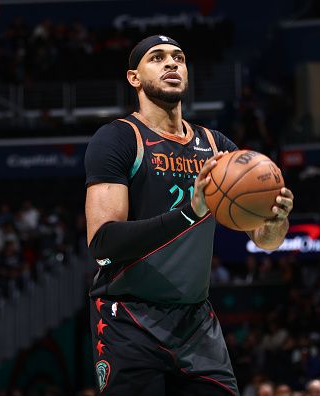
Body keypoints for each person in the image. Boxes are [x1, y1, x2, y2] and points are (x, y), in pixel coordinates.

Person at [84, 35, 294, 395]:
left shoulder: (216, 147)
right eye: (158, 58)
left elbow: (266, 242)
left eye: (179, 58)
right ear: (134, 78)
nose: (171, 63)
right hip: (129, 319)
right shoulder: (119, 138)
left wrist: (276, 222)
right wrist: (190, 213)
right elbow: (103, 244)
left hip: (195, 321)